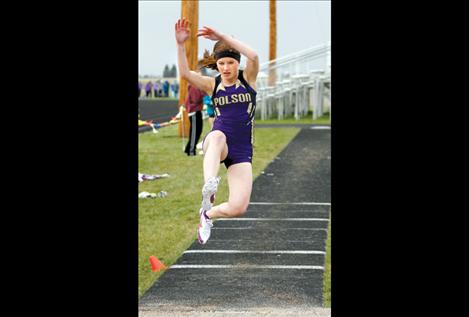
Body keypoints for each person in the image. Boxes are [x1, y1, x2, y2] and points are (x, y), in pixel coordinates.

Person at [175, 18, 259, 244]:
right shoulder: (213, 85)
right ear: (217, 64)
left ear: (237, 63)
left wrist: (222, 37)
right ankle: (209, 185)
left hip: (241, 149)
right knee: (218, 135)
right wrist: (180, 45)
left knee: (238, 207)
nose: (225, 68)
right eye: (221, 64)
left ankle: (207, 214)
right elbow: (185, 74)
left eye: (230, 63)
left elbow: (254, 56)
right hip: (217, 143)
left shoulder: (248, 79)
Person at [184, 76, 206, 156]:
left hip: (196, 111)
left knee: (197, 131)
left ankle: (188, 149)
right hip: (194, 111)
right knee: (195, 132)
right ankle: (191, 151)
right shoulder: (194, 87)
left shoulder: (195, 86)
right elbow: (196, 99)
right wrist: (204, 93)